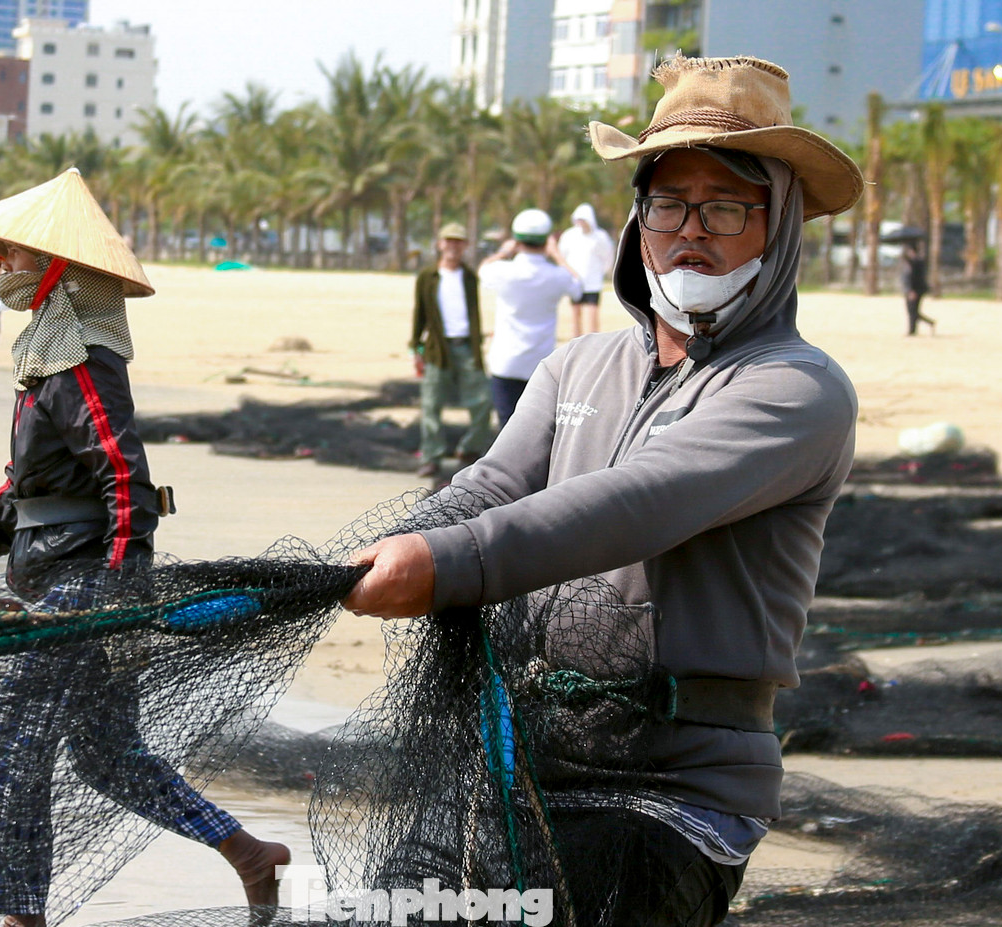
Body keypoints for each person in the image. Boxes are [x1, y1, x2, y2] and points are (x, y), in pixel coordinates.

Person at [343, 55, 863, 927]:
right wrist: (368, 557)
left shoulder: (796, 388)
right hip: (532, 762)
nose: (690, 228)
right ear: (637, 221)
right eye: (667, 203)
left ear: (781, 228)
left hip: (679, 789)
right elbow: (494, 484)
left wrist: (445, 563)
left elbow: (640, 501)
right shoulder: (578, 363)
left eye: (727, 205)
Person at [0, 169, 289, 927]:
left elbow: (124, 480)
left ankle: (21, 917)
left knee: (10, 752)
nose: (4, 265)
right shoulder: (47, 354)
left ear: (58, 268)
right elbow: (28, 482)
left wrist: (117, 600)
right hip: (59, 569)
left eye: (15, 254)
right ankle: (248, 851)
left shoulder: (81, 355)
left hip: (83, 581)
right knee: (105, 753)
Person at [479, 208, 582, 425]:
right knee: (537, 428)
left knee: (506, 426)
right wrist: (557, 255)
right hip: (540, 364)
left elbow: (482, 270)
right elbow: (578, 287)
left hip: (506, 362)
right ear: (547, 241)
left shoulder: (503, 271)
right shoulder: (557, 276)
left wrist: (504, 252)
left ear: (516, 240)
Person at [411, 222, 495, 479]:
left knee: (482, 401)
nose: (453, 246)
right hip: (438, 348)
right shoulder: (428, 277)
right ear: (439, 244)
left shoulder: (469, 276)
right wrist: (416, 347)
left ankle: (470, 449)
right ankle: (431, 457)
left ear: (465, 246)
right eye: (448, 241)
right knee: (431, 404)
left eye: (458, 241)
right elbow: (420, 313)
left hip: (467, 346)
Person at [558, 202, 617, 336]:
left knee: (592, 313)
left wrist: (603, 271)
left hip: (593, 281)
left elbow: (608, 256)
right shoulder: (569, 236)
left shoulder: (600, 237)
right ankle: (576, 340)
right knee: (575, 313)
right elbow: (562, 255)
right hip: (575, 281)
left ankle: (593, 342)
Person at [901, 241, 935, 336]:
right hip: (911, 290)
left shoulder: (916, 263)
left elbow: (915, 278)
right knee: (912, 311)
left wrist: (912, 290)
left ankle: (913, 330)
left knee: (913, 311)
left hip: (915, 290)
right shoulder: (911, 263)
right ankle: (924, 325)